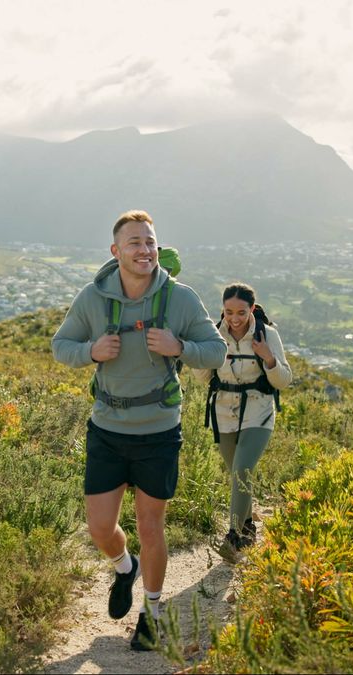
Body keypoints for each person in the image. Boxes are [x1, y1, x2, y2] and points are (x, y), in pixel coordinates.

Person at [51, 210, 226, 651]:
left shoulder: (180, 299)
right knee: (99, 528)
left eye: (149, 241)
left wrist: (180, 347)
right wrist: (90, 351)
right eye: (134, 243)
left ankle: (151, 612)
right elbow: (60, 345)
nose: (144, 250)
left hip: (158, 431)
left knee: (152, 526)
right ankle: (123, 566)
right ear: (116, 251)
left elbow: (216, 350)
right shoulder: (93, 298)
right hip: (107, 428)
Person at [195, 283, 293, 558]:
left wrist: (268, 358)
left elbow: (284, 380)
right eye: (228, 312)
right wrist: (207, 357)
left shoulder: (267, 334)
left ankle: (235, 537)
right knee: (237, 474)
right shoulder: (215, 335)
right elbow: (202, 378)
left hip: (258, 410)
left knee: (242, 471)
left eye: (241, 312)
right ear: (222, 311)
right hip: (224, 412)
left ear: (252, 309)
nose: (235, 318)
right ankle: (249, 529)